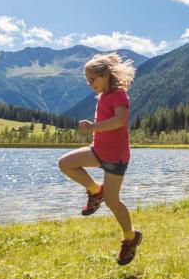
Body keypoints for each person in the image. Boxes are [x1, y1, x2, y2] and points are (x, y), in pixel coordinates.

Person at [57, 53, 142, 265]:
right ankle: (96, 190)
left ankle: (131, 238)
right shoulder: (103, 96)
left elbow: (120, 121)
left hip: (116, 157)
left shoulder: (119, 95)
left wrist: (93, 127)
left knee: (113, 201)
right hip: (98, 150)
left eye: (92, 79)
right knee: (65, 163)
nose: (89, 83)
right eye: (87, 79)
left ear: (105, 75)